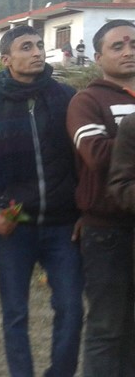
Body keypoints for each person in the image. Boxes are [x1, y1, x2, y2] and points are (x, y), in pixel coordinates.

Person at [0, 25, 82, 377]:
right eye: (26, 47)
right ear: (6, 60)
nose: (37, 52)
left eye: (39, 45)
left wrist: (84, 211)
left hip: (64, 227)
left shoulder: (67, 98)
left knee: (72, 310)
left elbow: (84, 162)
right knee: (15, 315)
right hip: (15, 229)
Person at [68, 19, 135, 376]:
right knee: (106, 326)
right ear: (98, 57)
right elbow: (96, 155)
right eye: (118, 46)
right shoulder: (87, 101)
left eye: (133, 45)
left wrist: (123, 144)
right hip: (106, 231)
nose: (128, 52)